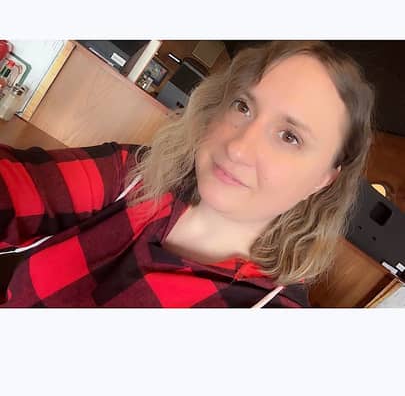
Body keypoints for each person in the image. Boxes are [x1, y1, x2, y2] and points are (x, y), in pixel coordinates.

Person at [0, 40, 375, 308]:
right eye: (243, 106)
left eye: (289, 137)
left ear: (323, 179)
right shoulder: (139, 176)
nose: (238, 148)